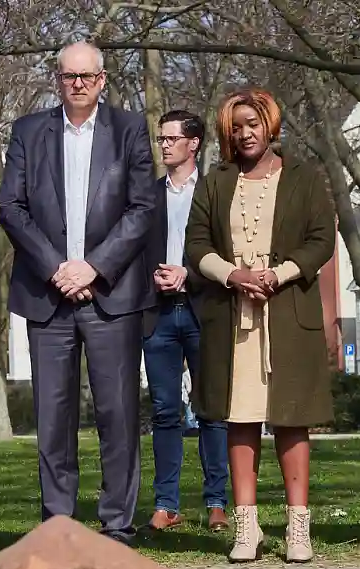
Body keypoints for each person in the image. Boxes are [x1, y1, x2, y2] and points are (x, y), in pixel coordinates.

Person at [0, 41, 156, 545]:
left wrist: (93, 267)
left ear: (103, 79)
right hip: (47, 297)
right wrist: (56, 268)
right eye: (70, 76)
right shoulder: (28, 132)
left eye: (88, 76)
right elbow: (12, 207)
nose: (79, 84)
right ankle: (59, 526)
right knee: (52, 417)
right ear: (58, 79)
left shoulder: (130, 130)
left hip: (112, 294)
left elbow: (142, 208)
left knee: (118, 415)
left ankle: (117, 526)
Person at [185, 88, 335, 563]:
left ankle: (298, 530)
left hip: (288, 312)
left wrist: (278, 274)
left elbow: (321, 239)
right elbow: (197, 244)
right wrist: (233, 275)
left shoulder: (304, 177)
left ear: (271, 125)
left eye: (253, 124)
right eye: (236, 126)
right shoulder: (215, 181)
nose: (245, 133)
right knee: (240, 419)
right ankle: (246, 529)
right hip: (232, 317)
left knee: (292, 420)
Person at [142, 110, 229, 532]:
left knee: (212, 410)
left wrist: (188, 275)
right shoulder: (147, 194)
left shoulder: (215, 191)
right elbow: (132, 251)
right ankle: (166, 504)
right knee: (164, 411)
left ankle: (217, 502)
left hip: (203, 312)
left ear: (193, 143)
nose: (164, 145)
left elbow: (227, 253)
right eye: (161, 139)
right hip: (158, 316)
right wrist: (153, 278)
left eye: (171, 138)